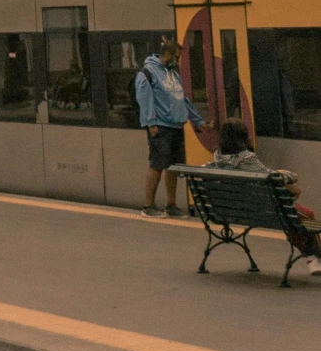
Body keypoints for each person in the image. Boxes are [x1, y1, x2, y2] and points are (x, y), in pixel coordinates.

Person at [209, 120, 321, 276]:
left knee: (292, 219)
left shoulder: (218, 159)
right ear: (243, 137)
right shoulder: (247, 158)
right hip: (264, 209)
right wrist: (289, 175)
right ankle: (314, 254)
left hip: (237, 210)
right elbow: (271, 177)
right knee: (305, 215)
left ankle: (311, 257)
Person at [135, 37, 203, 215]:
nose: (177, 61)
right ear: (167, 54)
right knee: (157, 164)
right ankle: (148, 206)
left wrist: (198, 120)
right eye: (176, 56)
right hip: (160, 126)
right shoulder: (147, 72)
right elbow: (144, 99)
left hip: (176, 125)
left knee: (172, 166)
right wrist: (151, 123)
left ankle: (171, 205)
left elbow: (183, 99)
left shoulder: (173, 73)